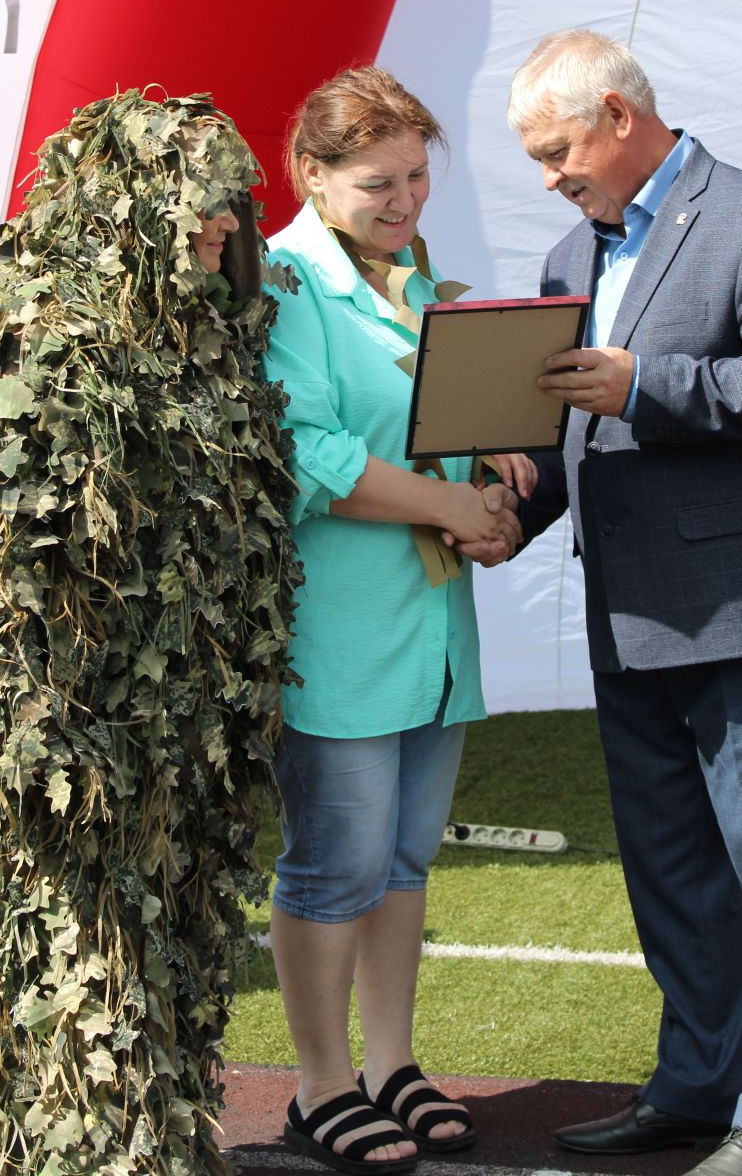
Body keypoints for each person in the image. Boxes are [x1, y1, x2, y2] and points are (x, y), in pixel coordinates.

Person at [0, 91, 301, 1176]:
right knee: (80, 999)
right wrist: (27, 731)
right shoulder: (40, 331)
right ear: (131, 192)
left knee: (171, 984)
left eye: (234, 199)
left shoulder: (211, 336)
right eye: (203, 196)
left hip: (182, 739)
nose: (225, 221)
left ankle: (156, 1150)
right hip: (83, 740)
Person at [506, 30, 742, 1176]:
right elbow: (566, 441)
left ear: (618, 114)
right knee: (668, 862)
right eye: (536, 157)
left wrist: (643, 384)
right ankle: (698, 1082)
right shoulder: (572, 253)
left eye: (558, 148)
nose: (550, 174)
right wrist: (492, 513)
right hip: (631, 613)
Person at [259, 66, 534, 1175]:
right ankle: (321, 1085)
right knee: (335, 865)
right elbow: (308, 456)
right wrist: (448, 499)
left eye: (419, 176)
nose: (407, 198)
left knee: (405, 857)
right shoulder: (282, 282)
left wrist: (498, 488)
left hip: (429, 626)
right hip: (338, 632)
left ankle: (391, 1063)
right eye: (380, 182)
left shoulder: (416, 284)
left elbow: (449, 442)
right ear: (314, 178)